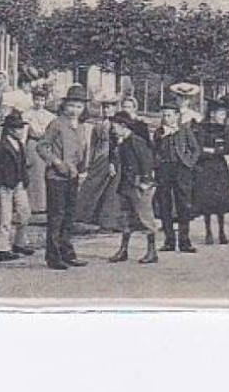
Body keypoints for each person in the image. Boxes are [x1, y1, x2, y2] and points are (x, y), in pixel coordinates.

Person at [38, 83, 91, 270]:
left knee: (69, 216)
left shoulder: (82, 127)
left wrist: (83, 168)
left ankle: (67, 253)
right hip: (56, 177)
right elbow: (42, 146)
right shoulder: (56, 124)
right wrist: (56, 162)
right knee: (56, 216)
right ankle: (53, 256)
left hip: (73, 176)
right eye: (71, 106)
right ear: (64, 105)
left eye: (78, 106)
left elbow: (83, 150)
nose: (74, 110)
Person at [105, 110, 159, 265]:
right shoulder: (121, 141)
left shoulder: (136, 141)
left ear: (123, 126)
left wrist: (145, 182)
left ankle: (152, 251)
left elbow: (147, 162)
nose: (112, 129)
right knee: (126, 218)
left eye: (114, 126)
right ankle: (123, 250)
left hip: (138, 185)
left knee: (145, 218)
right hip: (126, 185)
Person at [0, 110, 36, 262]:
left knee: (25, 213)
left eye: (21, 127)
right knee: (6, 217)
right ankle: (3, 248)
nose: (21, 131)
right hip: (6, 186)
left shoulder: (20, 145)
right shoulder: (0, 147)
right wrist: (1, 182)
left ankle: (19, 243)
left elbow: (22, 164)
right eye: (17, 128)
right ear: (9, 129)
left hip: (19, 183)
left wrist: (24, 180)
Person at [152, 102, 201, 253]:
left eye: (169, 115)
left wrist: (189, 163)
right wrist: (157, 164)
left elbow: (196, 149)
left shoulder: (185, 131)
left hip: (181, 169)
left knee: (184, 204)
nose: (166, 118)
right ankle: (169, 240)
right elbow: (153, 151)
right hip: (164, 170)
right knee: (165, 204)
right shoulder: (159, 133)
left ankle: (185, 241)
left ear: (177, 116)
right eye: (164, 115)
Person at [193, 100, 229, 245]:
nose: (223, 117)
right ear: (212, 114)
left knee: (221, 201)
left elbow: (227, 149)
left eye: (224, 114)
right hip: (205, 167)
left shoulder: (223, 130)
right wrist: (214, 150)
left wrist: (211, 150)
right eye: (221, 113)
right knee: (207, 200)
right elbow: (198, 148)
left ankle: (222, 231)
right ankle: (208, 231)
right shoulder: (201, 128)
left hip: (219, 167)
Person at [75, 94, 120, 229]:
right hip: (99, 156)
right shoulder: (98, 125)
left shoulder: (117, 124)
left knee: (111, 188)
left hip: (112, 157)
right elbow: (93, 144)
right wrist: (90, 160)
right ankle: (85, 214)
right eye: (105, 108)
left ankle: (107, 218)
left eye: (110, 107)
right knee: (92, 184)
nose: (107, 110)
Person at [22, 84, 56, 217]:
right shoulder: (27, 115)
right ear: (33, 99)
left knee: (46, 174)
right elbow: (24, 134)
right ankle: (33, 205)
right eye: (37, 99)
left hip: (46, 145)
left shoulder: (51, 116)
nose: (39, 103)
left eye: (42, 100)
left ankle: (45, 205)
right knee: (34, 174)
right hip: (32, 143)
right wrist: (23, 149)